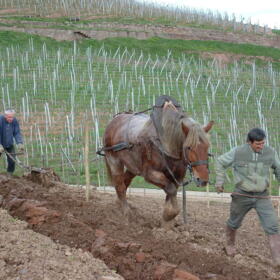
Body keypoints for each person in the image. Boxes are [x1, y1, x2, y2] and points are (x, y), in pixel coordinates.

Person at [215, 128, 280, 267]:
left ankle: (278, 260)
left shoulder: (270, 152)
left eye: (263, 143)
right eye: (258, 144)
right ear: (249, 142)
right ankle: (230, 245)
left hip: (262, 195)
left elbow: (278, 169)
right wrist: (220, 181)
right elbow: (220, 162)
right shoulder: (238, 152)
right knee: (234, 223)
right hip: (241, 195)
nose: (261, 146)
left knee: (273, 226)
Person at [0, 109, 24, 175]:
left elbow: (17, 132)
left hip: (9, 144)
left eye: (12, 117)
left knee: (12, 161)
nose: (11, 119)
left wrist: (19, 143)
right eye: (9, 117)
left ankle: (9, 175)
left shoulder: (14, 121)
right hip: (1, 143)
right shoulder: (0, 120)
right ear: (5, 116)